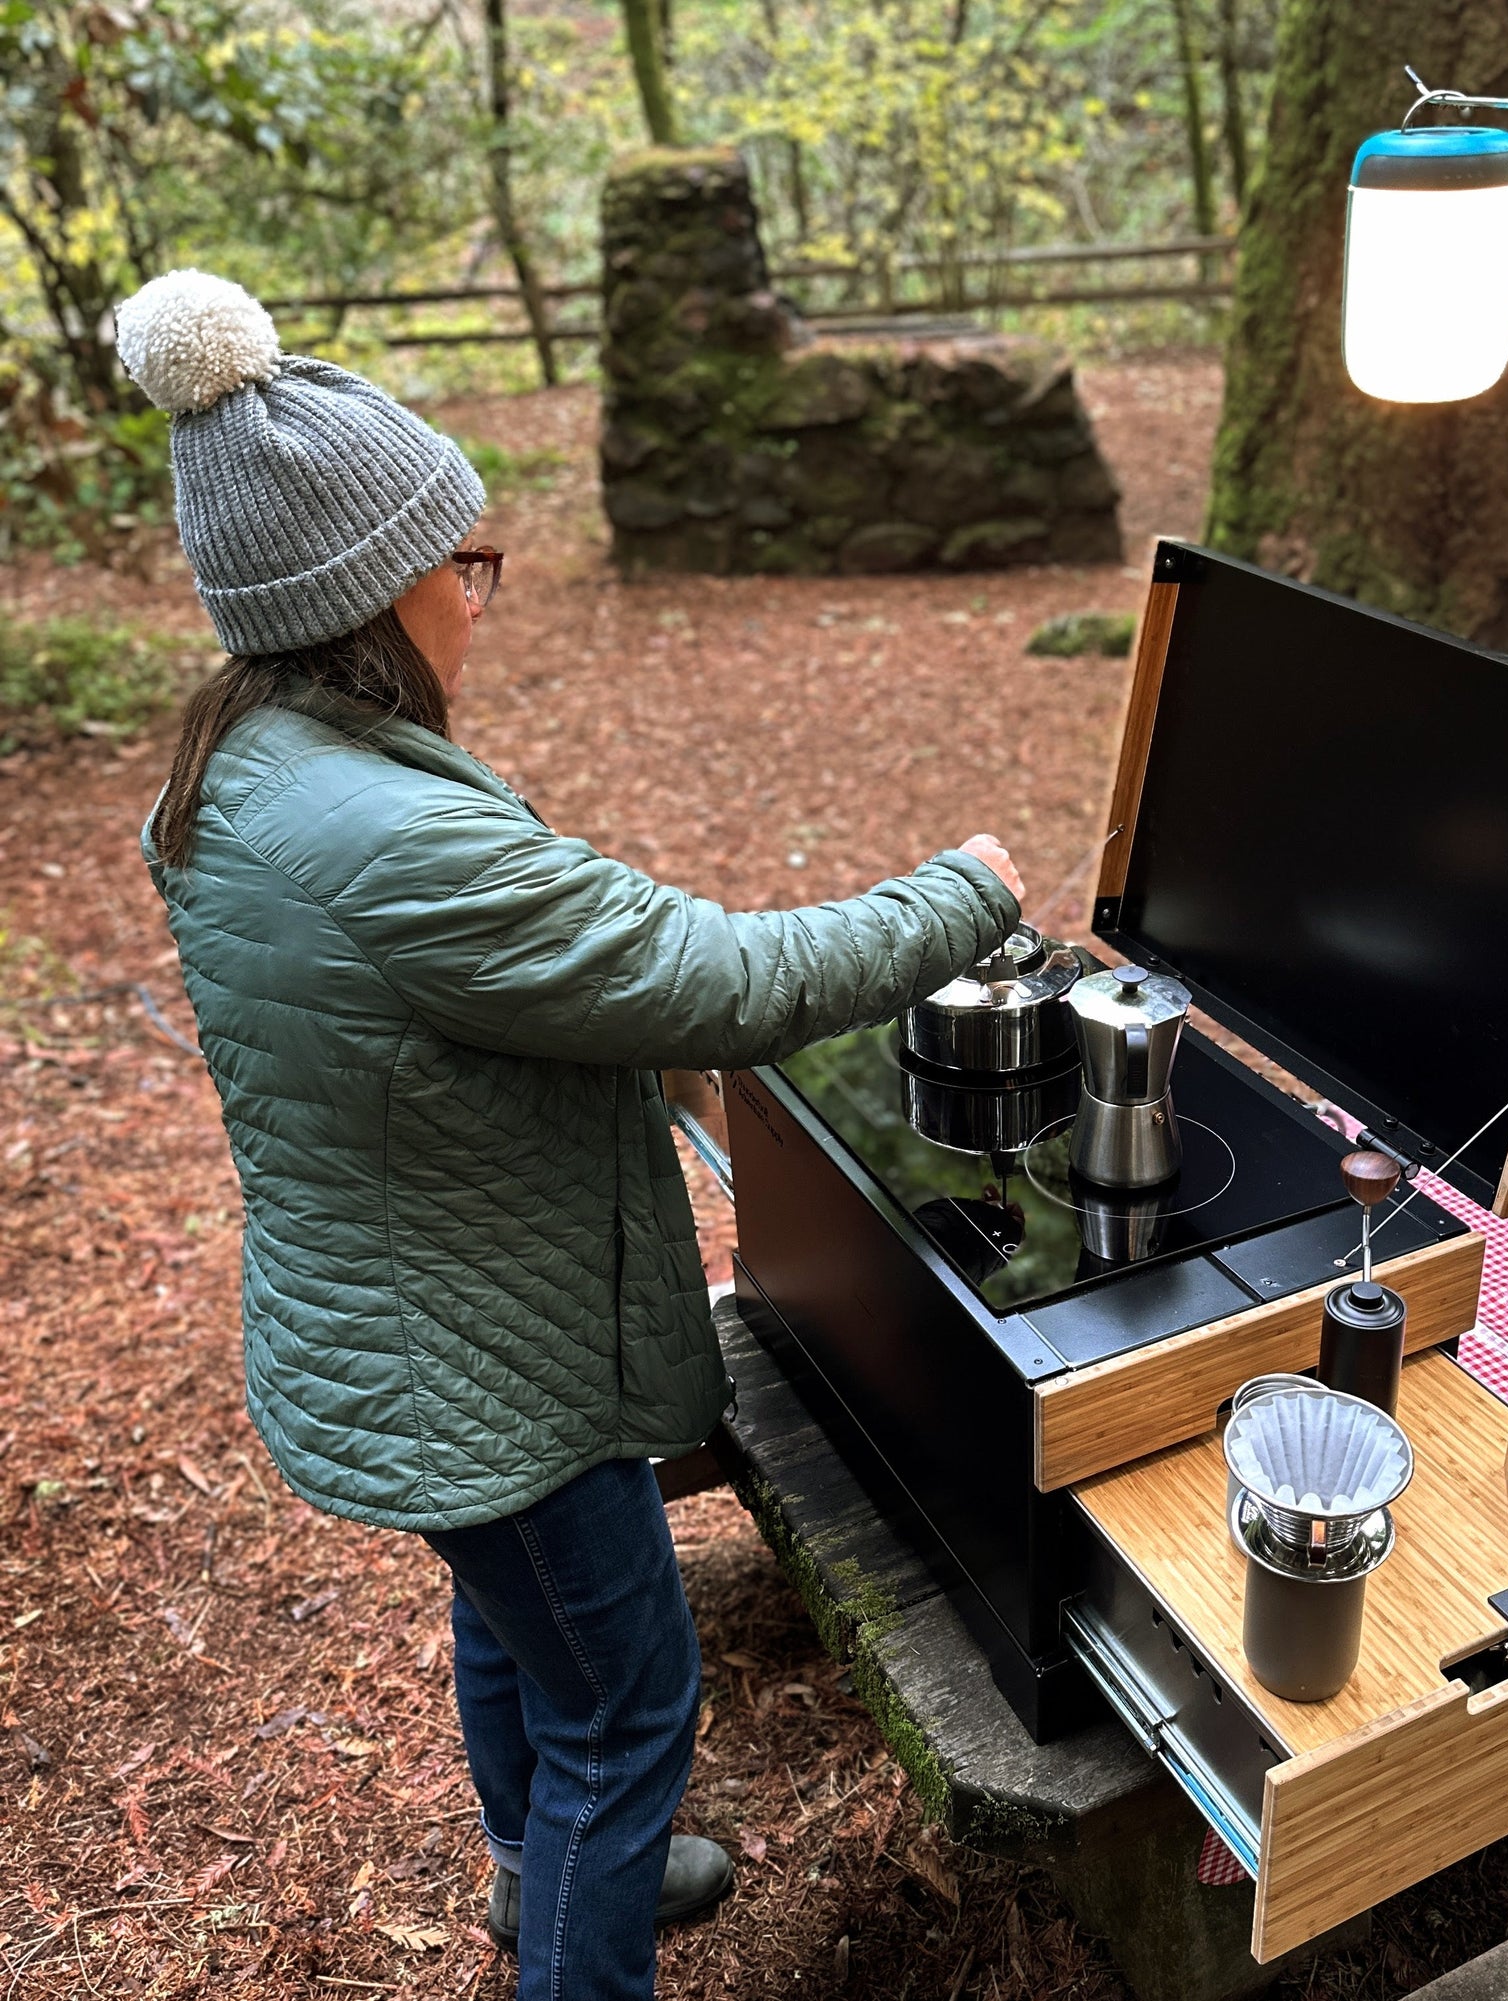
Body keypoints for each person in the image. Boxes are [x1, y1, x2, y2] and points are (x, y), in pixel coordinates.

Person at [116, 269, 1026, 2001]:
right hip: (484, 1358)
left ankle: (535, 1868)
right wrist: (961, 896)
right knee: (630, 1699)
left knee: (514, 1622)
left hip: (407, 1311)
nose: (483, 600)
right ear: (369, 591)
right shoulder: (385, 833)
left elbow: (456, 1011)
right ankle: (571, 1936)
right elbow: (722, 973)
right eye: (465, 564)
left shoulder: (243, 756)